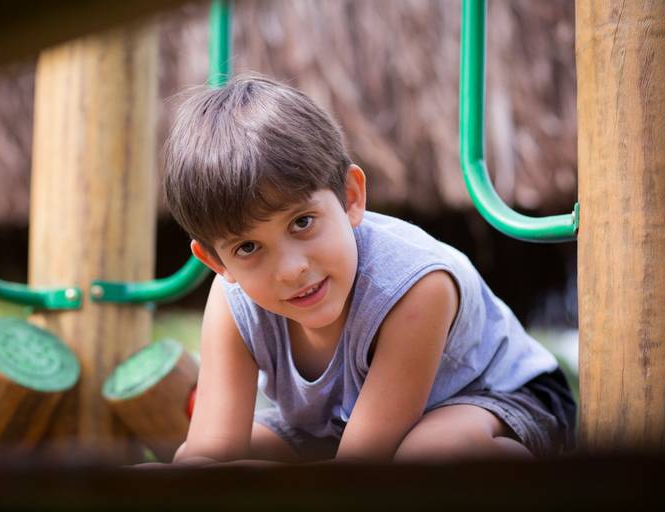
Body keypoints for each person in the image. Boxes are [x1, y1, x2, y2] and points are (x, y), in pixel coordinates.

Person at [163, 73, 576, 465]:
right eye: (249, 247)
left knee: (430, 453)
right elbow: (211, 454)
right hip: (340, 428)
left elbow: (361, 467)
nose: (291, 269)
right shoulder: (232, 302)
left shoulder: (414, 286)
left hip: (499, 402)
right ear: (217, 263)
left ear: (351, 196)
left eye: (302, 222)